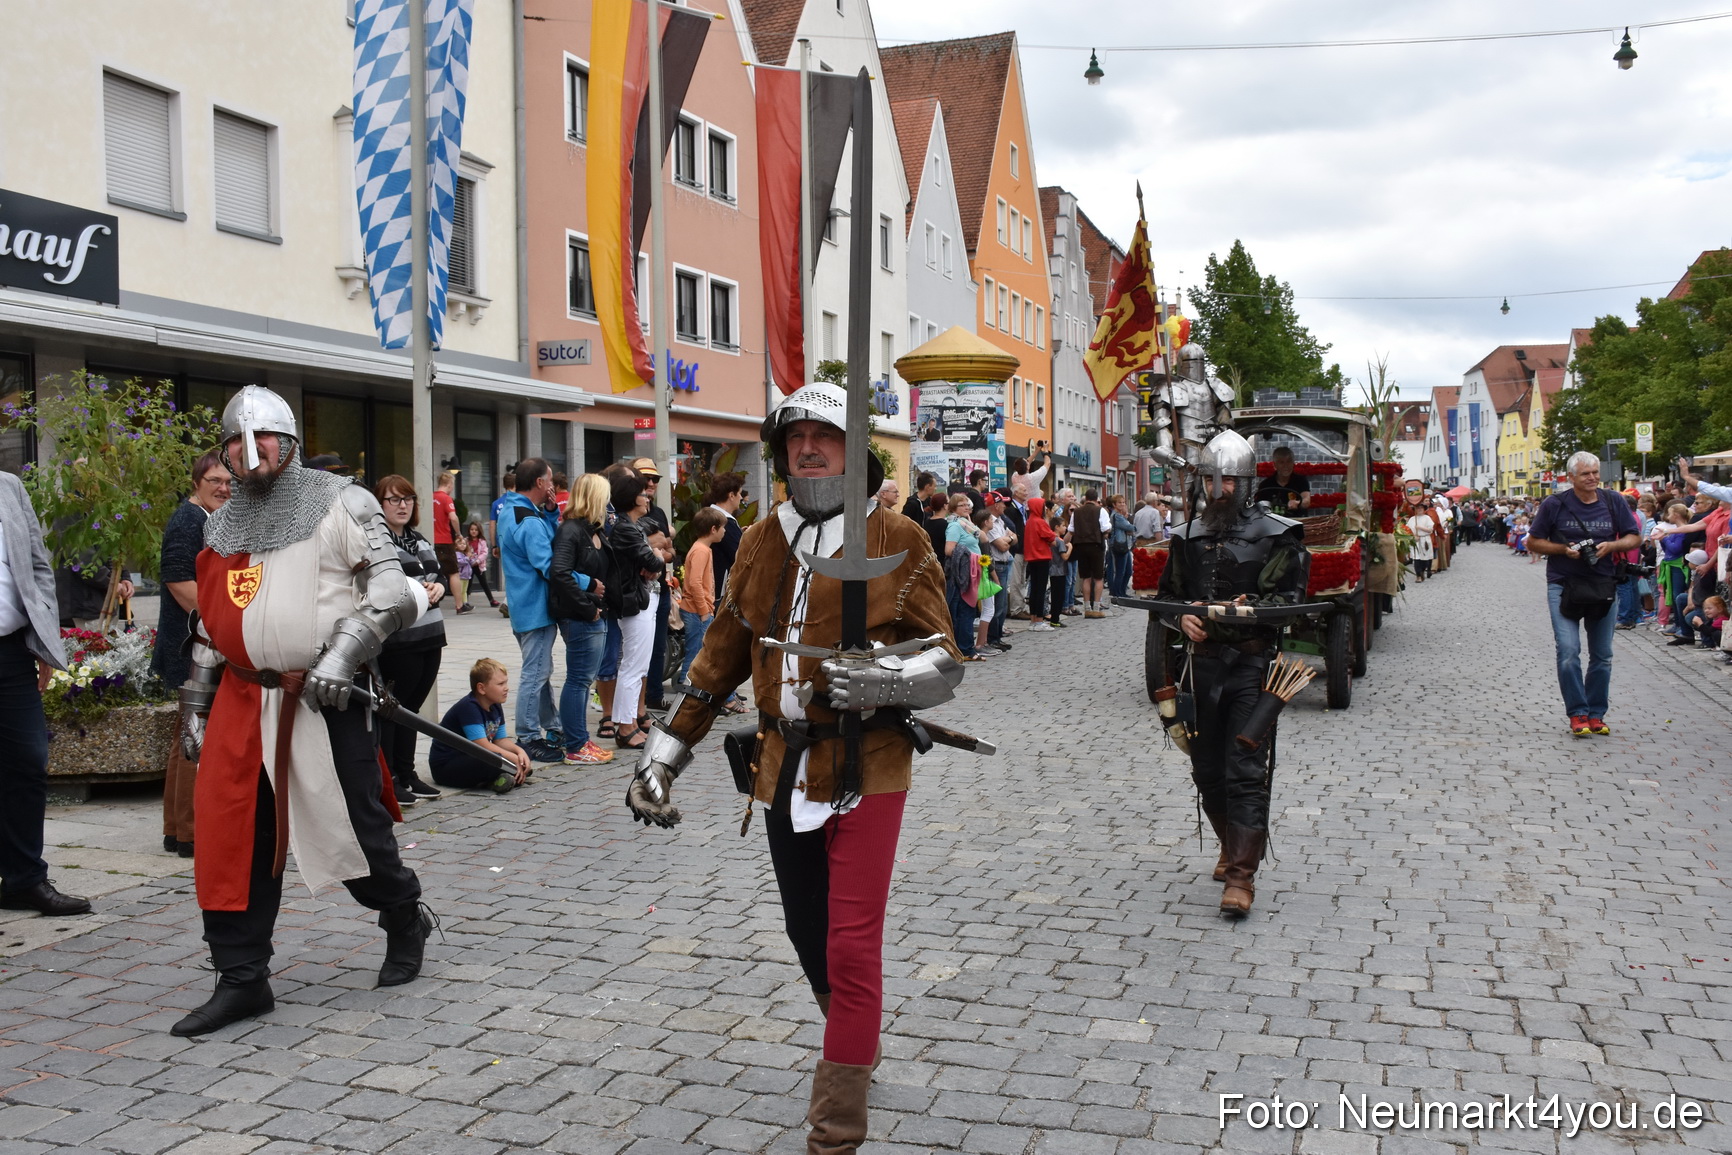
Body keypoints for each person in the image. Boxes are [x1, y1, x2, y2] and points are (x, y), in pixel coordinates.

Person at [624, 382, 962, 1154]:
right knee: (808, 933)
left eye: (826, 434)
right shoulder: (758, 541)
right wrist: (663, 756)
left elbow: (945, 662)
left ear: (856, 449)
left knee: (850, 942)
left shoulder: (900, 538)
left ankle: (834, 1132)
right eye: (795, 436)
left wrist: (873, 682)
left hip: (869, 762)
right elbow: (718, 658)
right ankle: (855, 1029)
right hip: (781, 763)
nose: (808, 447)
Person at [173, 385, 432, 1037]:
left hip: (324, 695)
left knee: (354, 828)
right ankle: (241, 976)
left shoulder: (343, 502)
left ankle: (402, 911)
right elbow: (209, 624)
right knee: (232, 834)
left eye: (262, 438)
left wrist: (341, 657)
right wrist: (196, 704)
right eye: (235, 440)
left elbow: (394, 593)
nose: (248, 451)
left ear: (289, 442)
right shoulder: (223, 524)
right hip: (238, 696)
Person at [1155, 432, 1308, 917]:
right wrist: (1182, 617)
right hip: (1199, 671)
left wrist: (1252, 609)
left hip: (1252, 666)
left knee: (1244, 769)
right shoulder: (1185, 536)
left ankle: (1242, 877)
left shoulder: (1278, 534)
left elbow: (1292, 603)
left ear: (1245, 483)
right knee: (1206, 770)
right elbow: (1164, 600)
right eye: (1210, 480)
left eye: (1227, 481)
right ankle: (1230, 846)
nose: (1218, 489)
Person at [0, 472, 88, 919]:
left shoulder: (9, 487)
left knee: (28, 762)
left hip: (10, 650)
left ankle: (23, 879)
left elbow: (37, 566)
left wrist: (44, 641)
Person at [1526, 451, 1641, 738]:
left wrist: (1610, 547)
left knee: (1602, 655)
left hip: (1603, 585)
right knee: (1568, 651)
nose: (1592, 478)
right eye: (1585, 474)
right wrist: (1564, 550)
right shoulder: (1555, 504)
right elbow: (1534, 541)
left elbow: (1634, 536)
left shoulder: (1613, 501)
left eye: (1595, 472)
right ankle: (1577, 712)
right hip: (1564, 584)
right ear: (1572, 478)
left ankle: (1596, 713)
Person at [154, 449, 230, 858]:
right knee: (194, 739)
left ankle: (174, 828)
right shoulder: (189, 518)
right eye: (214, 480)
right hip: (191, 644)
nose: (223, 488)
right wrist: (222, 625)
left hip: (198, 641)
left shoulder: (208, 518)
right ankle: (191, 834)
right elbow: (179, 582)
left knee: (185, 735)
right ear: (196, 483)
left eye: (229, 482)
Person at [372, 475, 448, 808]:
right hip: (400, 639)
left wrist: (440, 587)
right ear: (379, 504)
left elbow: (438, 575)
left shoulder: (419, 540)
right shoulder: (377, 541)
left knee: (413, 708)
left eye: (408, 499)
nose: (402, 505)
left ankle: (407, 772)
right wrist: (418, 589)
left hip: (431, 634)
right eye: (393, 500)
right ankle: (390, 780)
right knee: (393, 710)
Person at [495, 459, 564, 764]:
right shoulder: (527, 518)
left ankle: (552, 727)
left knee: (541, 673)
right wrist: (587, 584)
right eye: (549, 480)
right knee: (535, 675)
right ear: (539, 483)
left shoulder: (512, 510)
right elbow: (550, 565)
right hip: (536, 608)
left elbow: (541, 546)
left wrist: (550, 513)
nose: (553, 486)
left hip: (525, 606)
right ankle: (528, 736)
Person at [549, 475, 615, 766]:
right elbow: (560, 573)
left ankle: (580, 741)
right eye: (605, 496)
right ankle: (576, 745)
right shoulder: (572, 530)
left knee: (582, 680)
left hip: (592, 613)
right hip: (580, 617)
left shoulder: (592, 530)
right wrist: (588, 608)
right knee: (579, 681)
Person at [605, 465, 670, 750]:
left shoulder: (632, 526)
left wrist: (654, 555)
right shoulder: (625, 528)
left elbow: (658, 552)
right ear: (633, 499)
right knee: (633, 666)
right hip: (634, 603)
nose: (647, 498)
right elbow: (656, 561)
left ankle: (630, 721)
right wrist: (656, 554)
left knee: (638, 665)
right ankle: (625, 725)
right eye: (643, 494)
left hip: (643, 599)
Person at [428, 658, 531, 793]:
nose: (507, 688)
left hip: (474, 756)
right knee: (493, 761)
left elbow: (500, 740)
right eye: (500, 684)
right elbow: (482, 745)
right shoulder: (469, 707)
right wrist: (513, 759)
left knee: (526, 750)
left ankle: (503, 775)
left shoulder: (495, 704)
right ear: (481, 688)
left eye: (506, 682)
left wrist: (520, 753)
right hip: (448, 766)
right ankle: (502, 775)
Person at [630, 457, 676, 712]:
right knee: (633, 652)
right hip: (635, 589)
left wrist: (658, 553)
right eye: (644, 478)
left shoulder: (657, 512)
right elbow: (631, 549)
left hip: (660, 587)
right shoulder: (624, 513)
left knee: (658, 646)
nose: (650, 484)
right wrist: (653, 548)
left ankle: (654, 695)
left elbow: (672, 551)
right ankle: (630, 707)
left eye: (655, 479)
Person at [675, 507, 725, 687]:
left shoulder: (703, 549)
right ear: (713, 529)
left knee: (697, 652)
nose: (724, 531)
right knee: (695, 654)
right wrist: (704, 610)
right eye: (722, 527)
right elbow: (695, 583)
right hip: (696, 611)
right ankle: (686, 691)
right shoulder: (701, 551)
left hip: (698, 609)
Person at [943, 492, 986, 660]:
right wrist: (968, 554)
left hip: (972, 572)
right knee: (964, 611)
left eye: (968, 505)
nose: (966, 507)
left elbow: (983, 538)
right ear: (954, 507)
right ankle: (966, 649)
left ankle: (966, 648)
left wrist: (970, 522)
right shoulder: (954, 526)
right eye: (962, 505)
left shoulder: (965, 524)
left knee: (968, 610)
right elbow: (949, 549)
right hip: (962, 574)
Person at [703, 471, 746, 597]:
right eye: (739, 493)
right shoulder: (723, 522)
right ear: (731, 495)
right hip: (719, 592)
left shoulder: (710, 515)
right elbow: (739, 554)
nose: (741, 497)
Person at [1070, 488, 1110, 618]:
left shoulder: (1076, 512)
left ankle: (1087, 607)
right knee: (1098, 578)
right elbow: (1105, 528)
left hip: (1080, 545)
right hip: (1096, 545)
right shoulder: (1101, 510)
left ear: (1086, 498)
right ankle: (1096, 607)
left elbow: (1071, 529)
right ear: (1096, 499)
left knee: (1085, 577)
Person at [1022, 495, 1057, 631]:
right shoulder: (1039, 521)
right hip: (1041, 557)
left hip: (1032, 558)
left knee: (1034, 590)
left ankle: (1033, 620)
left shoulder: (1030, 521)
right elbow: (1051, 538)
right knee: (1040, 590)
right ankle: (1039, 621)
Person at [430, 471, 461, 604]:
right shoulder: (446, 498)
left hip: (430, 540)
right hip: (444, 540)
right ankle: (460, 605)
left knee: (432, 572)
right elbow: (453, 517)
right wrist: (458, 533)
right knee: (453, 572)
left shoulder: (429, 496)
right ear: (449, 484)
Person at [1252, 446, 1311, 514]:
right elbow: (1259, 507)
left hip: (1296, 521)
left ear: (1293, 463)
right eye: (1281, 462)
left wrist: (1297, 503)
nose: (1286, 466)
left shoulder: (1301, 481)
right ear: (1275, 465)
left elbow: (1306, 501)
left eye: (1289, 462)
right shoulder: (1265, 485)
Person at [458, 520, 499, 610]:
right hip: (468, 565)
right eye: (472, 529)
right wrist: (467, 558)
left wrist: (478, 560)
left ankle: (491, 600)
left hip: (478, 565)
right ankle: (465, 601)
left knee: (484, 583)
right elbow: (462, 550)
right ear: (469, 530)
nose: (473, 531)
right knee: (468, 583)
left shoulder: (482, 541)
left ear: (479, 531)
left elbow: (485, 552)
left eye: (476, 530)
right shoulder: (466, 540)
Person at [1107, 493, 1136, 598]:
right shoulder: (1117, 516)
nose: (1122, 504)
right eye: (1119, 503)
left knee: (1128, 571)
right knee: (1121, 571)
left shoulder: (1120, 516)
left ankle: (1122, 591)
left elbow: (1128, 528)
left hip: (1125, 545)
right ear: (1114, 504)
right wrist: (1131, 528)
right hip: (1119, 545)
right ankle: (1118, 593)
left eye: (1123, 502)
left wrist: (1129, 528)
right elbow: (1130, 527)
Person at [1405, 503, 1436, 581]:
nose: (1419, 509)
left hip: (1424, 539)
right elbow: (1407, 530)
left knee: (1425, 559)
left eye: (1421, 508)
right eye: (1417, 508)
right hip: (1415, 540)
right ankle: (1418, 575)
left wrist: (1420, 528)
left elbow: (1430, 530)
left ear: (1424, 509)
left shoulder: (1427, 518)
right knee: (1416, 558)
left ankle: (1422, 571)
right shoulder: (1412, 519)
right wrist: (1413, 536)